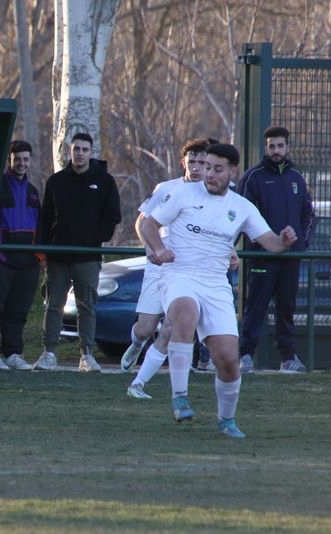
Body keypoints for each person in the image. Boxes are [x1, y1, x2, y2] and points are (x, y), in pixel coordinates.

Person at [141, 143, 297, 439]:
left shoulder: (242, 207)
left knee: (227, 360)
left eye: (217, 169)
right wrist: (159, 249)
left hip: (215, 284)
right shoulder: (184, 194)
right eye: (207, 167)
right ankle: (180, 398)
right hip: (179, 275)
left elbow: (272, 244)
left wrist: (284, 241)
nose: (209, 174)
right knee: (185, 314)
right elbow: (149, 225)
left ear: (232, 171)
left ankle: (226, 421)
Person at [120, 138, 212, 399]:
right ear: (183, 162)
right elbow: (142, 223)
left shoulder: (213, 193)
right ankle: (137, 344)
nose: (196, 167)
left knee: (173, 326)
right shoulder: (167, 188)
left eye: (202, 162)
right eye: (192, 162)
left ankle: (143, 382)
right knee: (145, 328)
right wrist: (152, 249)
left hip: (186, 271)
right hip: (159, 266)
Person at [34, 132, 121, 372]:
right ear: (69, 151)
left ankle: (87, 355)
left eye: (84, 149)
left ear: (91, 152)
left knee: (87, 306)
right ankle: (48, 354)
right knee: (53, 305)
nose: (80, 153)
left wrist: (96, 238)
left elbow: (112, 215)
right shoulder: (56, 181)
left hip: (87, 256)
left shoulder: (105, 181)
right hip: (57, 256)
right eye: (76, 149)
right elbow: (45, 217)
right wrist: (42, 250)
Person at [236, 126, 314, 374]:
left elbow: (308, 213)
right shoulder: (252, 177)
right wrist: (259, 244)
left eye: (280, 146)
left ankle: (288, 358)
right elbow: (240, 216)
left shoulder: (296, 177)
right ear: (266, 147)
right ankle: (245, 355)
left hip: (291, 257)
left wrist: (301, 242)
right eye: (272, 146)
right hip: (261, 258)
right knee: (255, 305)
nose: (276, 150)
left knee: (286, 307)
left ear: (287, 147)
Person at [0, 140, 40, 371]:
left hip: (28, 261)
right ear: (10, 160)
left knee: (19, 310)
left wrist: (38, 256)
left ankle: (13, 353)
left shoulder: (33, 192)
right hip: (3, 259)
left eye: (25, 159)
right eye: (17, 159)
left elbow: (41, 225)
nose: (21, 163)